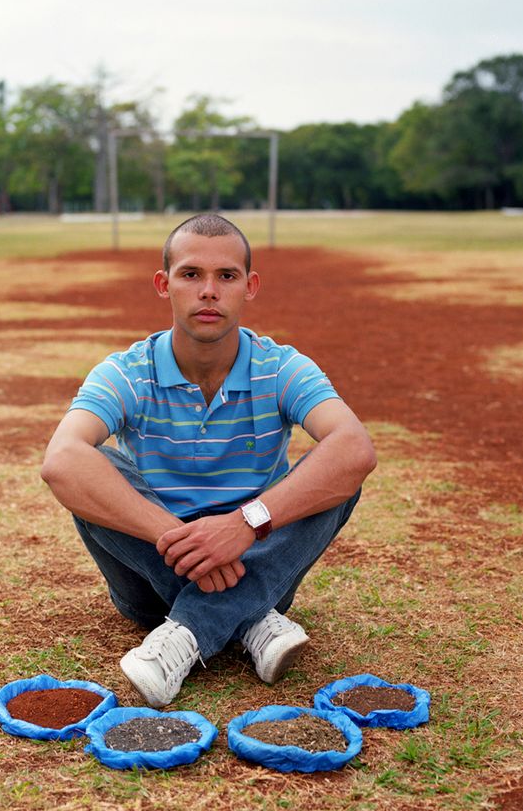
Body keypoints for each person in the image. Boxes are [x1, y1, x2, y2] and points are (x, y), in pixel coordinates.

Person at [41, 213, 377, 707]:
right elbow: (61, 462)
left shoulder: (280, 367)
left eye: (226, 276)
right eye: (191, 274)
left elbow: (354, 448)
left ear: (250, 286)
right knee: (94, 467)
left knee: (338, 472)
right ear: (164, 284)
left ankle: (189, 632)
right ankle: (250, 621)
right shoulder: (126, 371)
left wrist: (243, 525)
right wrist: (178, 539)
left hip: (255, 562)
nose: (209, 292)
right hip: (149, 583)